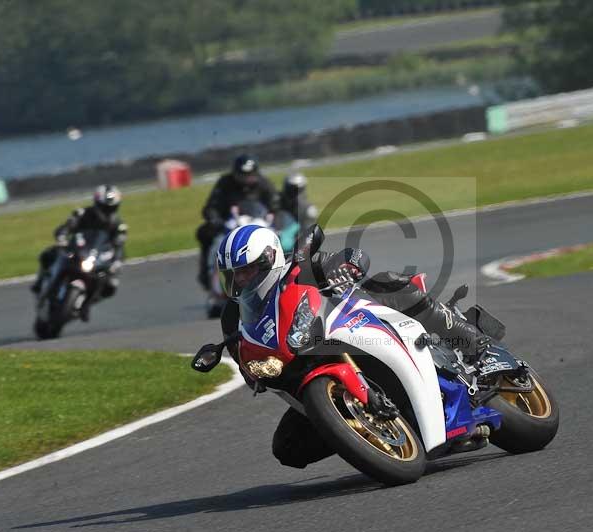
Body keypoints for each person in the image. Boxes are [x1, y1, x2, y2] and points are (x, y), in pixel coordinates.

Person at [212, 224, 490, 469]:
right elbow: (242, 356)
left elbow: (355, 257)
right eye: (234, 274)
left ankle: (474, 344)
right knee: (287, 448)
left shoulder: (298, 267)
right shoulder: (232, 314)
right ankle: (361, 435)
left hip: (356, 327)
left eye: (246, 270)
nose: (241, 280)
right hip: (300, 366)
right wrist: (253, 373)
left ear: (268, 259)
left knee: (389, 283)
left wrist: (345, 270)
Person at [31, 185, 127, 318]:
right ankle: (39, 283)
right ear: (97, 203)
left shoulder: (118, 225)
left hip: (97, 258)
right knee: (48, 254)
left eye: (111, 208)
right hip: (76, 250)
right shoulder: (83, 213)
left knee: (111, 286)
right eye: (105, 207)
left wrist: (116, 262)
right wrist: (62, 235)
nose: (107, 211)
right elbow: (69, 225)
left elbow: (119, 246)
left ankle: (86, 304)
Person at [195, 154, 279, 289]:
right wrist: (216, 220)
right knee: (203, 233)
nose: (246, 180)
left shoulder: (264, 184)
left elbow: (276, 204)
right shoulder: (224, 184)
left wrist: (274, 218)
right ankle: (207, 274)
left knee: (285, 238)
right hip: (230, 226)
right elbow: (211, 207)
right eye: (243, 176)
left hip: (259, 225)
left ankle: (288, 271)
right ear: (235, 174)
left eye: (250, 176)